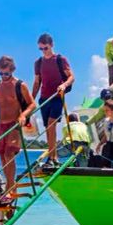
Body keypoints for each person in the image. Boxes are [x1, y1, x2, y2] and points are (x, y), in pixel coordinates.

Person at [0, 55, 36, 194]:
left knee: (9, 154)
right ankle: (10, 184)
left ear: (12, 70)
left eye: (6, 73)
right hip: (1, 125)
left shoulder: (20, 85)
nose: (3, 76)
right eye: (0, 73)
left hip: (14, 125)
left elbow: (32, 104)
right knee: (2, 156)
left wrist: (23, 115)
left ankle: (9, 185)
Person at [32, 33, 75, 167]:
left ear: (51, 45)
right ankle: (52, 157)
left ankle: (53, 157)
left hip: (57, 97)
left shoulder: (60, 59)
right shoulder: (38, 63)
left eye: (45, 48)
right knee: (48, 129)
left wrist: (63, 85)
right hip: (44, 98)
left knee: (52, 124)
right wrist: (30, 101)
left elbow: (71, 77)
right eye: (41, 49)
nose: (43, 51)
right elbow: (37, 82)